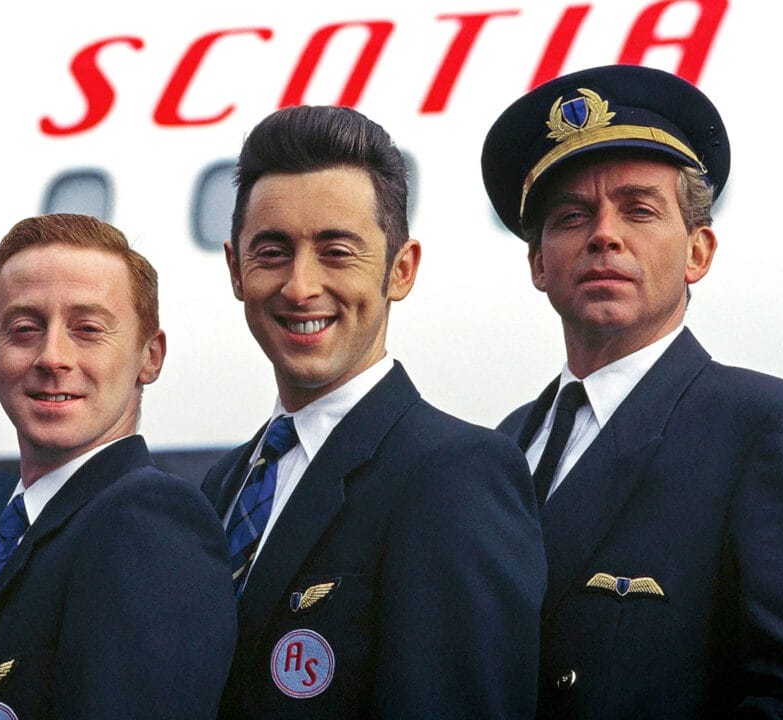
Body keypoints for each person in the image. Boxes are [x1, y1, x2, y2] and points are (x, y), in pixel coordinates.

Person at [482, 64, 783, 717]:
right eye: (571, 216)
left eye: (639, 209)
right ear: (538, 264)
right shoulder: (505, 446)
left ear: (698, 251)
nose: (604, 234)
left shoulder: (765, 429)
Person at [203, 105, 545, 719]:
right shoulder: (226, 485)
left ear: (401, 270)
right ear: (235, 269)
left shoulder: (454, 476)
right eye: (273, 252)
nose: (300, 286)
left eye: (336, 252)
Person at [0, 214, 236, 720]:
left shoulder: (147, 521)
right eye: (25, 329)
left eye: (88, 330)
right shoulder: (9, 545)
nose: (53, 357)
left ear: (150, 357)